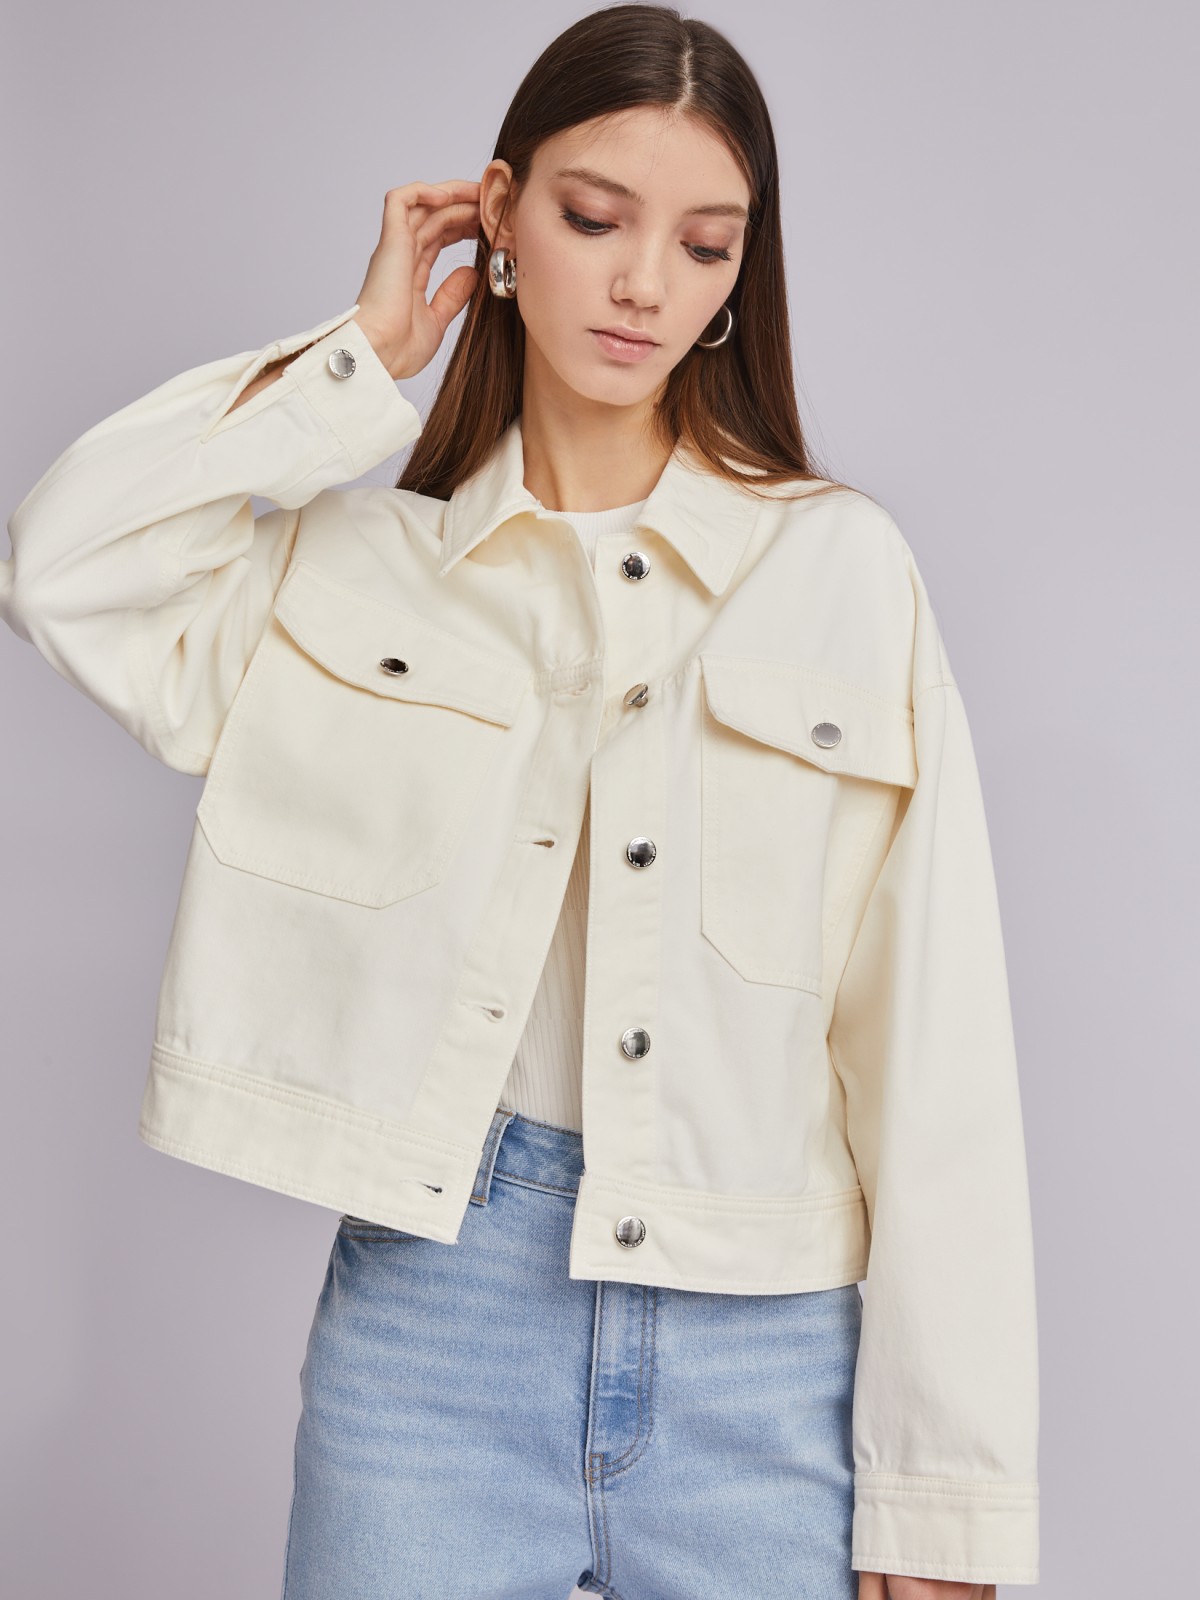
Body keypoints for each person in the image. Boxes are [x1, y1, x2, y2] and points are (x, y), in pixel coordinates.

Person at [0, 7, 1037, 1598]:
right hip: (437, 1327)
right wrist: (359, 362)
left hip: (768, 1352)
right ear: (498, 213)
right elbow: (62, 565)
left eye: (705, 245)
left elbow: (936, 1046)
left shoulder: (842, 570)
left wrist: (944, 1492)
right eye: (594, 217)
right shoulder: (352, 571)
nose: (645, 285)